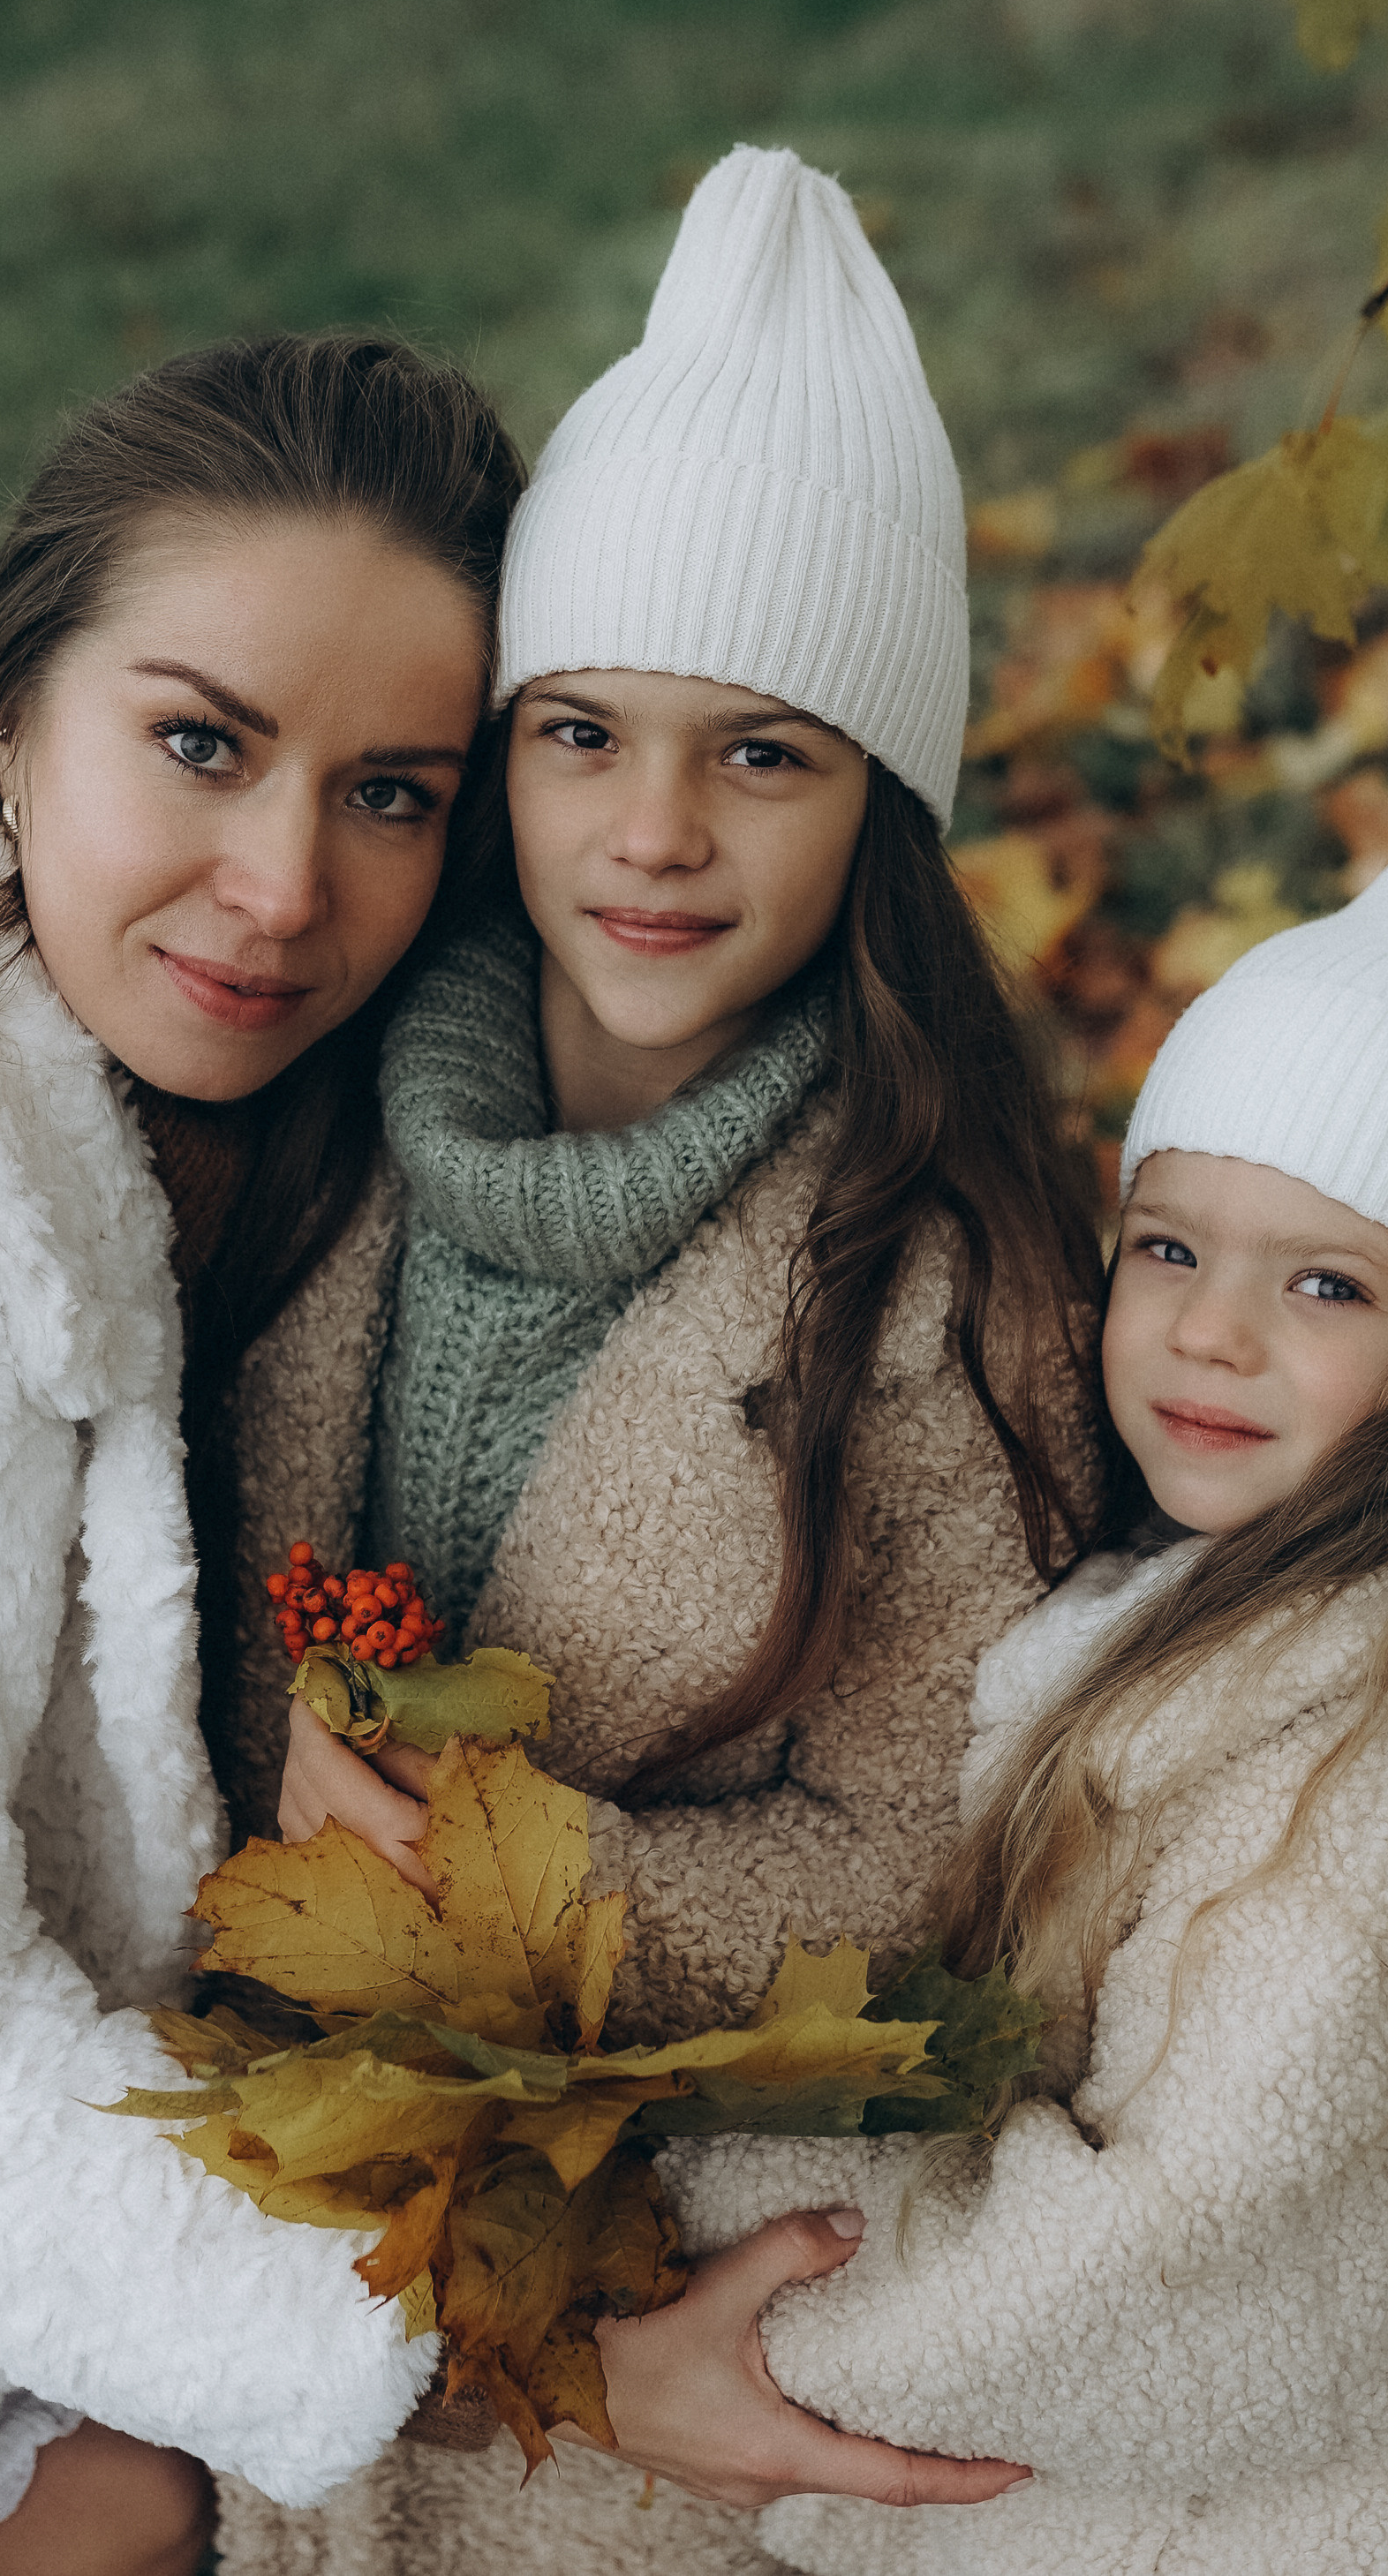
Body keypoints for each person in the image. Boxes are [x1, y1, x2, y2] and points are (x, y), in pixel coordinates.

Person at [211, 149, 1106, 2573]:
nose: (652, 832)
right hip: (234, 2197)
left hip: (646, 2249)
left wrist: (522, 1869)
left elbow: (924, 1856)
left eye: (763, 753)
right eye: (579, 730)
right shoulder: (314, 1130)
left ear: (879, 805)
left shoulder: (929, 1285)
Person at [0, 334, 525, 2576]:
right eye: (202, 742)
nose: (280, 884)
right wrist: (471, 2331)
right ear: (11, 699)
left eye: (395, 791)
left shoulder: (157, 1107)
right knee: (145, 2496)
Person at [662, 767, 1388, 2574]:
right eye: (1174, 1247)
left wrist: (704, 2251)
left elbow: (1187, 2247)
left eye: (1329, 1287)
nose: (1209, 1328)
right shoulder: (1180, 1610)